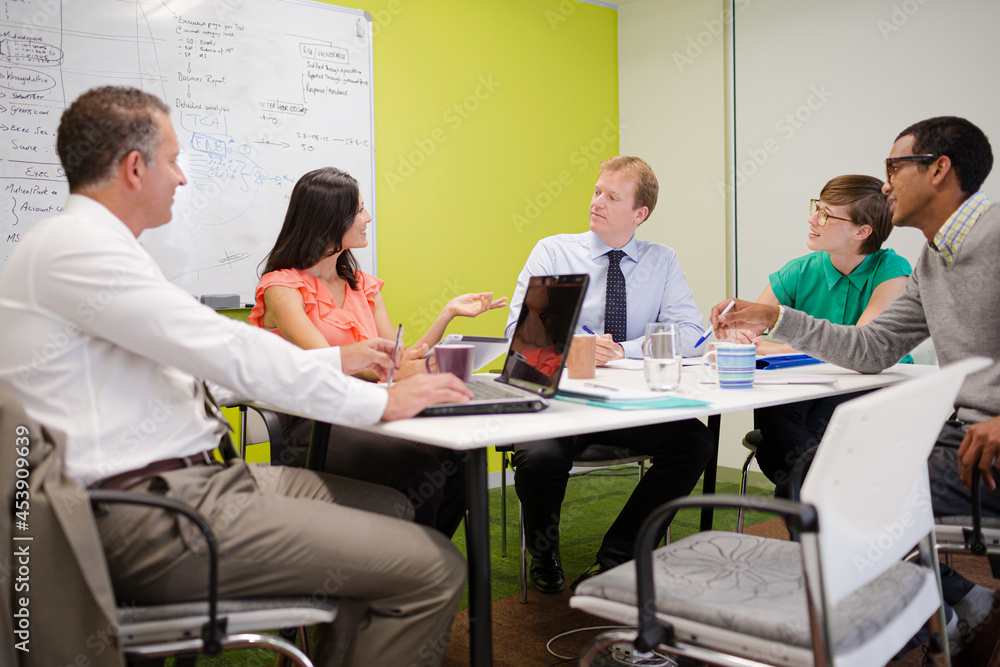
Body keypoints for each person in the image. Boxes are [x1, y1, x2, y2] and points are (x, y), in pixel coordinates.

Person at [0, 86, 475, 667]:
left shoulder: (86, 248)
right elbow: (225, 348)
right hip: (154, 516)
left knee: (393, 507)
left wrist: (339, 364)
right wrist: (380, 404)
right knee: (435, 568)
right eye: (173, 160)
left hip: (194, 483)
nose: (181, 178)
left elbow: (206, 375)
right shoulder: (77, 250)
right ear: (132, 168)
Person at [711, 117, 1000, 665]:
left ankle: (909, 626)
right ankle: (954, 612)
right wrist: (775, 317)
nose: (885, 183)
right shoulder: (931, 262)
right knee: (814, 478)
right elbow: (871, 349)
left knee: (822, 494)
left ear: (939, 170)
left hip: (988, 444)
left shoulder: (996, 235)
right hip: (959, 438)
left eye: (895, 166)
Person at [247, 166, 506, 536]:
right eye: (359, 210)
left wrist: (447, 315)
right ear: (329, 218)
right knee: (423, 470)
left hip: (370, 407)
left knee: (459, 455)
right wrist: (397, 370)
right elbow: (329, 365)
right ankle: (407, 568)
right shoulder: (282, 288)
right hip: (314, 420)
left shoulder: (362, 285)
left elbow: (398, 355)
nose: (368, 218)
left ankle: (429, 561)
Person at [505, 156, 715, 594]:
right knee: (539, 458)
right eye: (597, 191)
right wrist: (577, 348)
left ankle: (619, 556)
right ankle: (544, 550)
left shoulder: (662, 261)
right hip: (561, 406)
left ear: (640, 214)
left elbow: (694, 333)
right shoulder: (554, 251)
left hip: (630, 407)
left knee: (695, 443)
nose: (596, 201)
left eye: (612, 196)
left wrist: (623, 349)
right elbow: (519, 334)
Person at [750, 174, 912, 496]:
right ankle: (821, 492)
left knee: (782, 447)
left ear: (862, 231)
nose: (812, 219)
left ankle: (803, 489)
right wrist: (741, 337)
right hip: (814, 386)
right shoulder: (799, 270)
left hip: (874, 385)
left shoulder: (892, 270)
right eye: (816, 208)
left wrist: (776, 347)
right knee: (770, 404)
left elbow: (861, 346)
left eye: (826, 213)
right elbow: (751, 323)